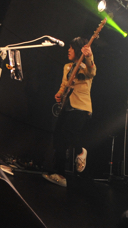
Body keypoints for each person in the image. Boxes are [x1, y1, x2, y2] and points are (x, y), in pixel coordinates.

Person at [43, 38, 95, 187]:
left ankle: (80, 152)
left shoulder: (85, 65)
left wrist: (89, 56)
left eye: (71, 48)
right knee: (58, 138)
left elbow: (92, 72)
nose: (68, 50)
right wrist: (59, 93)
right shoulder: (67, 67)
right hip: (67, 105)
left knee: (69, 135)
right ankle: (60, 175)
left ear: (77, 49)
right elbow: (64, 84)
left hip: (81, 107)